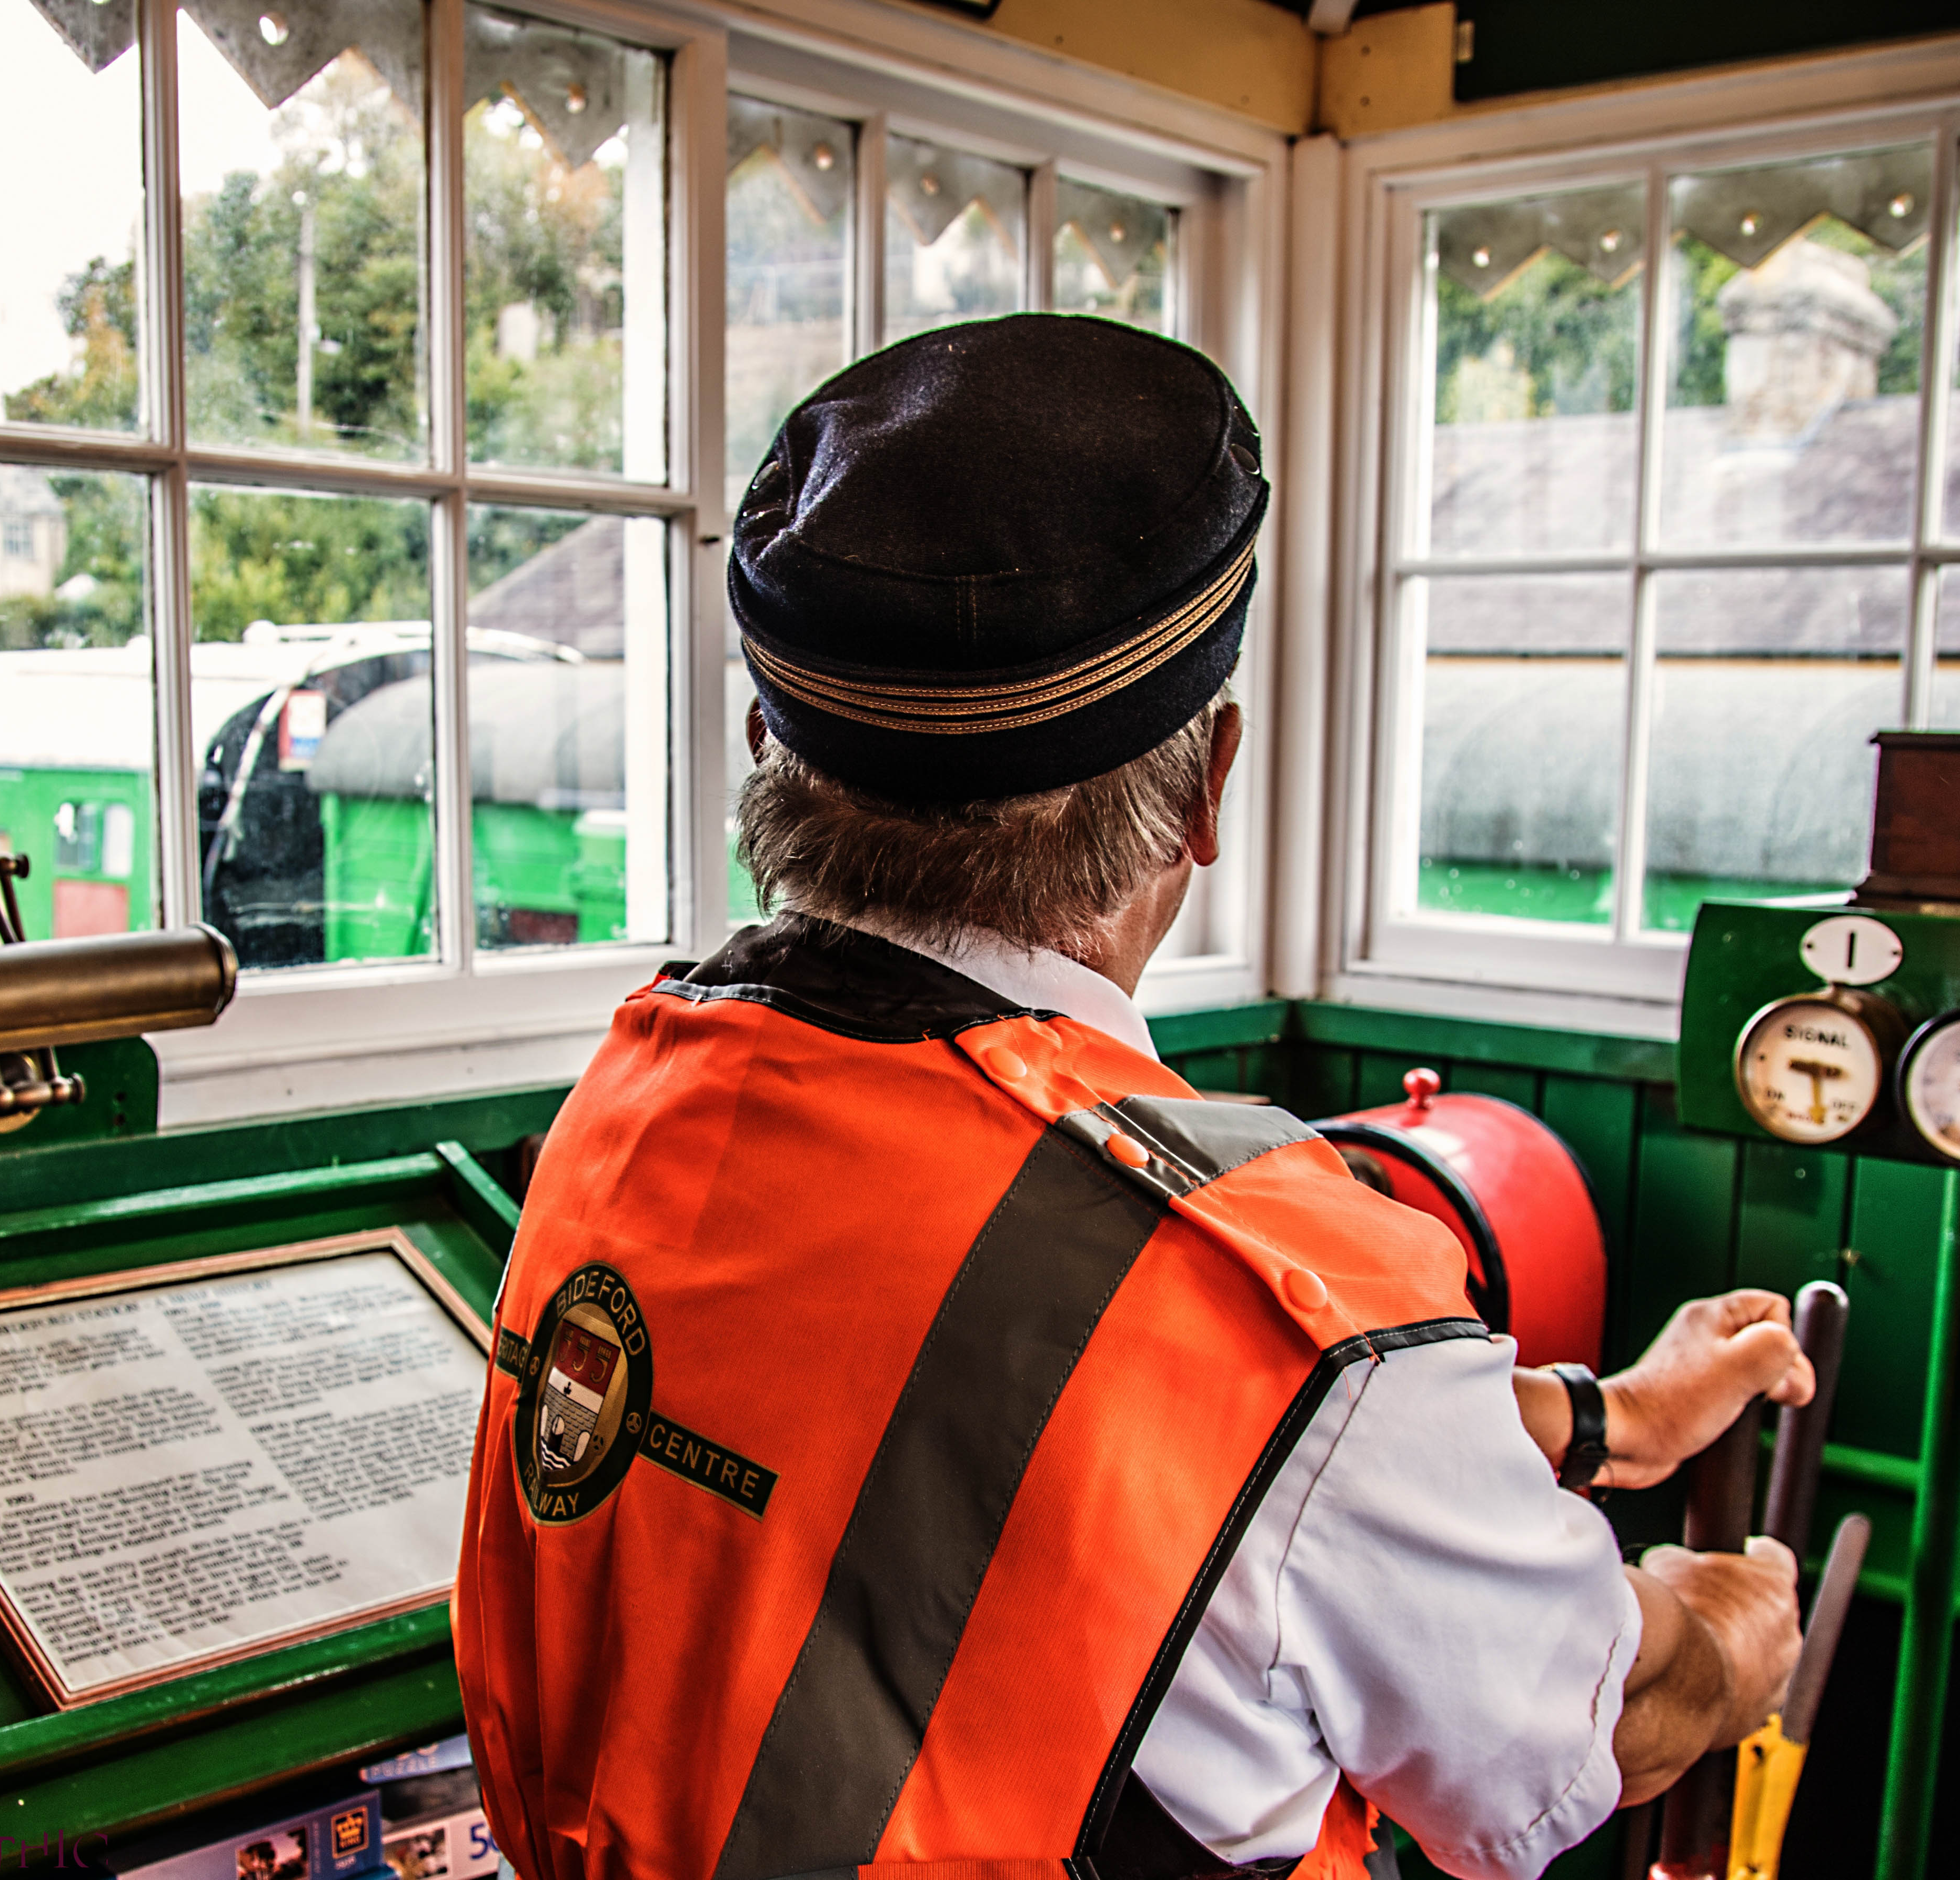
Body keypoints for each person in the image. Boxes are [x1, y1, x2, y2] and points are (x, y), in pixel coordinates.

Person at [453, 314, 1809, 1880]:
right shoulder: (1296, 1314)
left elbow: (1033, 1451)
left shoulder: (639, 1097)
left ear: (772, 741)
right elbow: (1571, 1727)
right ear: (1212, 782)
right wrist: (1724, 1624)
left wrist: (1603, 1417)